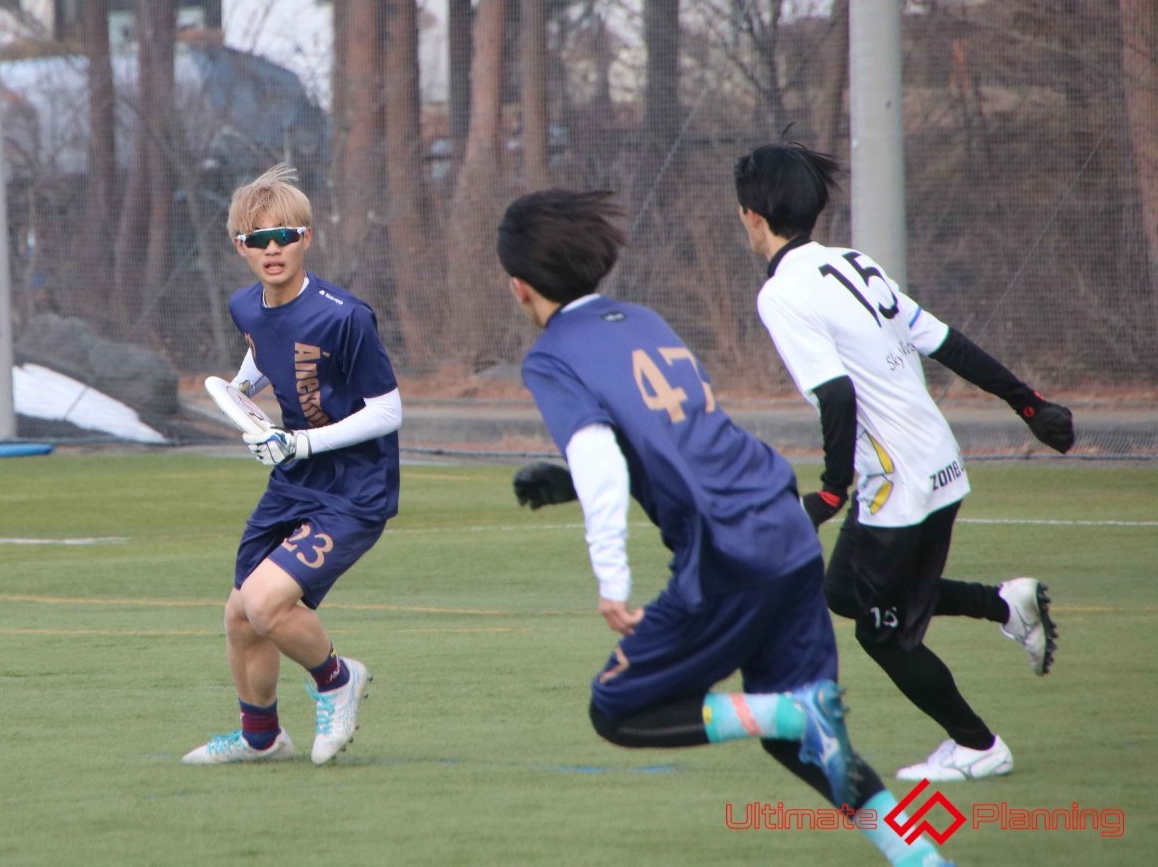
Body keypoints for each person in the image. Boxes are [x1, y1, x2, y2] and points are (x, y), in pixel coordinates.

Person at [500, 187, 952, 867]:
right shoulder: (644, 320)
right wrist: (567, 480)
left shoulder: (552, 355)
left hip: (726, 551)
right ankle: (920, 856)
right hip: (784, 524)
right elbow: (677, 433)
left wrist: (612, 578)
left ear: (518, 286)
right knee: (803, 741)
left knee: (617, 709)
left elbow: (600, 458)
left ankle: (792, 712)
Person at [734, 142, 1072, 783]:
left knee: (881, 632)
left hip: (901, 481)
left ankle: (978, 745)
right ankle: (1006, 605)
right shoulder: (852, 262)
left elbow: (836, 395)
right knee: (844, 592)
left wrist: (829, 493)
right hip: (932, 460)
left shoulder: (781, 294)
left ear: (752, 214)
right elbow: (947, 342)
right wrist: (1028, 404)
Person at [182, 163, 403, 767]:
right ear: (241, 247)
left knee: (265, 604)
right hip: (293, 482)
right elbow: (263, 354)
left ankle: (337, 680)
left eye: (285, 235)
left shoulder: (345, 316)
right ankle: (262, 738)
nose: (272, 248)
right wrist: (242, 394)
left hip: (356, 488)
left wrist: (299, 443)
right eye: (259, 239)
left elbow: (388, 411)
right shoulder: (245, 306)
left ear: (307, 238)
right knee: (240, 615)